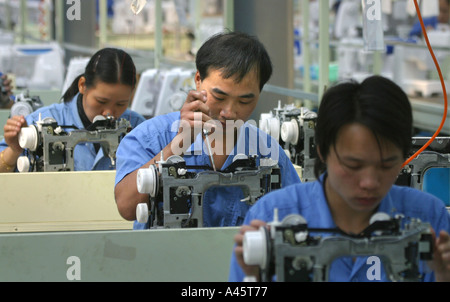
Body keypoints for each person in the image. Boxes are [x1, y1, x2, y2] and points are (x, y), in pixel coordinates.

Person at [229, 75, 450, 282]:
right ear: (323, 151)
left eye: (387, 164)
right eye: (353, 165)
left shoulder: (430, 218)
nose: (370, 182)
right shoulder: (270, 217)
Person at [114, 31, 301, 229]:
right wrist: (178, 144)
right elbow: (127, 208)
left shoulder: (267, 152)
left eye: (245, 100)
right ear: (198, 80)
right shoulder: (150, 136)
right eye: (219, 97)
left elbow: (297, 216)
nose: (229, 112)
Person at [0, 47, 146, 173]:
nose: (109, 112)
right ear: (82, 85)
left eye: (121, 104)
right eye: (101, 101)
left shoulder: (138, 128)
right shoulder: (42, 122)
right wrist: (14, 150)